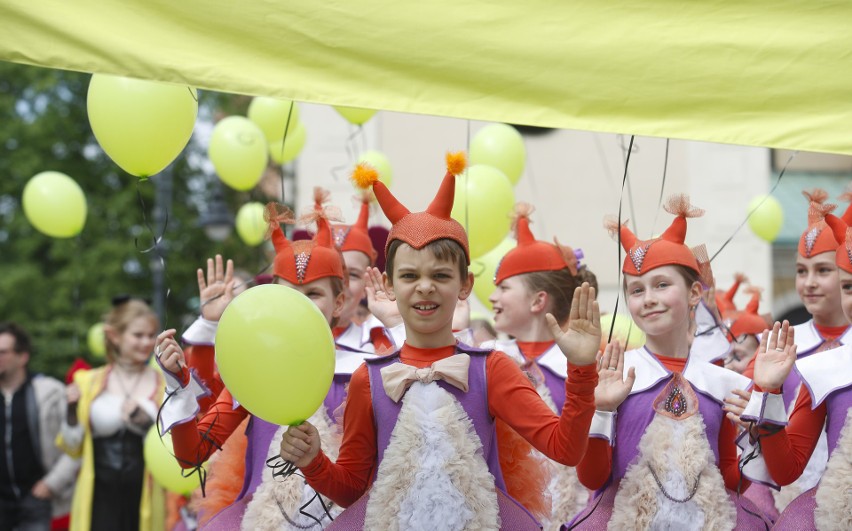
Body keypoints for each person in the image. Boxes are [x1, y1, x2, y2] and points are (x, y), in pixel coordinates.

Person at [279, 153, 601, 529]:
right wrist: (314, 460)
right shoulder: (369, 379)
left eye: (441, 275)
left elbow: (565, 448)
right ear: (388, 284)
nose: (425, 286)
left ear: (464, 285)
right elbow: (354, 492)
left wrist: (581, 370)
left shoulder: (491, 369)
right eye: (410, 275)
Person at [157, 202, 375, 529]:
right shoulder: (257, 367)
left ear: (338, 302)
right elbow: (192, 453)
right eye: (290, 294)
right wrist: (178, 382)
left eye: (313, 294)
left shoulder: (369, 364)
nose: (300, 304)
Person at [567, 195, 768, 529]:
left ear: (693, 294)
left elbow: (730, 482)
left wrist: (756, 439)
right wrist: (601, 409)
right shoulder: (613, 375)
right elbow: (593, 479)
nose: (649, 300)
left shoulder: (724, 385)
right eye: (636, 290)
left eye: (661, 285)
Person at [734, 211, 852, 530]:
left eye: (822, 270)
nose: (809, 282)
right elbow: (745, 403)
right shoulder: (782, 343)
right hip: (798, 495)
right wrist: (755, 406)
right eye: (801, 271)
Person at [485, 202, 595, 527]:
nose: (492, 298)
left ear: (538, 300)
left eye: (503, 288)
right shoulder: (485, 359)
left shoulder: (581, 368)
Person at [57, 298, 165, 531]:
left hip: (146, 494)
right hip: (99, 498)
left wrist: (147, 424)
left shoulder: (164, 383)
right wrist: (72, 411)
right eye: (138, 335)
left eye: (151, 335)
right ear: (115, 336)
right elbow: (72, 445)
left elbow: (176, 447)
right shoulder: (87, 382)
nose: (146, 342)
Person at [0, 323, 79, 531]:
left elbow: (76, 444)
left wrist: (52, 484)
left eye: (3, 352)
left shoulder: (51, 393)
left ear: (22, 356)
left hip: (38, 500)